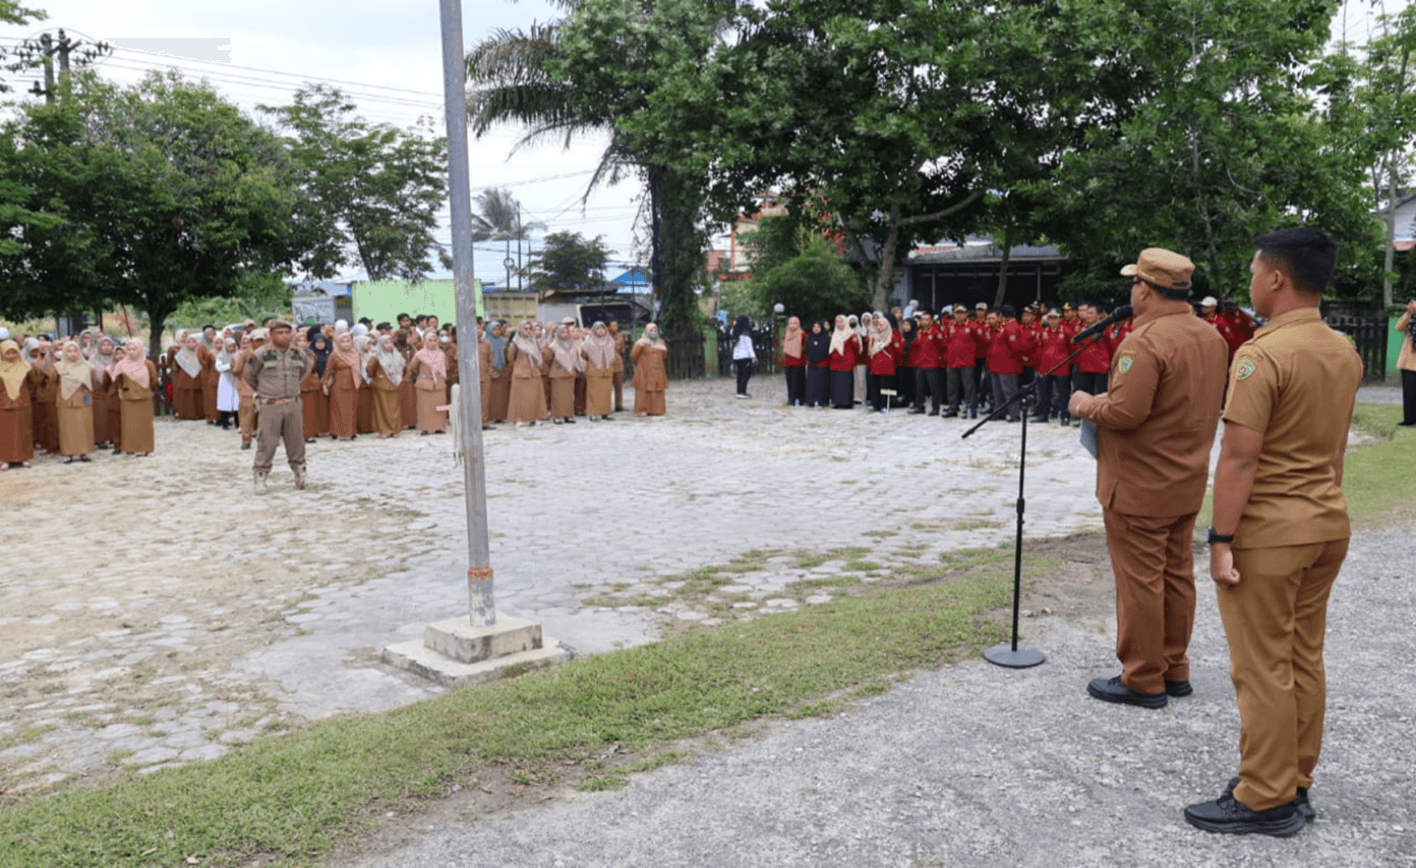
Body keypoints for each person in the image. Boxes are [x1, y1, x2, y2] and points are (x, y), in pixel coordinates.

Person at [1185, 229, 1364, 837]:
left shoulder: (1261, 354)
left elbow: (1239, 457)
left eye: (1255, 270)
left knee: (1261, 665)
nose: (1252, 281)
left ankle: (1264, 796)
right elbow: (1334, 451)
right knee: (1302, 657)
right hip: (1324, 523)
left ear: (1278, 279)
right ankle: (1295, 780)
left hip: (1270, 532)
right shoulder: (1343, 351)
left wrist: (1220, 540)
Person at [1067, 247, 1228, 710]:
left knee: (1140, 582)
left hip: (1139, 484)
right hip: (1186, 479)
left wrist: (1082, 403)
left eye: (1134, 283)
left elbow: (1125, 413)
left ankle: (1142, 677)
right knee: (1177, 575)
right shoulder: (1210, 337)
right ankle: (1174, 668)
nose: (1131, 291)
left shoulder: (1144, 341)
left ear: (1144, 289)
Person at [244, 320, 312, 491]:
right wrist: (265, 391)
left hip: (293, 404)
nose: (284, 336)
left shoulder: (298, 353)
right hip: (270, 405)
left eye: (287, 333)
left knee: (296, 441)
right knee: (267, 442)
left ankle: (299, 472)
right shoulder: (260, 354)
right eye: (280, 333)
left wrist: (293, 388)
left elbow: (303, 371)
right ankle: (260, 475)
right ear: (271, 335)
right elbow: (249, 375)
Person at [985, 304, 1033, 423]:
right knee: (998, 391)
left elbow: (1016, 347)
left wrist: (1019, 360)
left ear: (1002, 315)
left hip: (1007, 365)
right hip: (997, 364)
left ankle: (1014, 414)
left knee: (1009, 391)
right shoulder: (1003, 326)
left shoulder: (1012, 326)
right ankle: (1000, 412)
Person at [54, 341, 98, 463]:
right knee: (67, 428)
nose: (72, 354)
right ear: (64, 352)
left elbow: (93, 382)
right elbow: (53, 384)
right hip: (65, 400)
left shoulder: (88, 366)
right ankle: (68, 453)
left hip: (83, 400)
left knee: (84, 426)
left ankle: (84, 452)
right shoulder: (58, 367)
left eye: (75, 351)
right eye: (69, 351)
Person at [0, 339, 40, 470]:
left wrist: (24, 394)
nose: (11, 356)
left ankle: (23, 458)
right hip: (3, 405)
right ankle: (5, 459)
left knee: (24, 431)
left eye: (14, 352)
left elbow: (33, 383)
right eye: (7, 353)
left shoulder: (26, 367)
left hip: (22, 403)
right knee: (5, 433)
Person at [113, 339, 158, 457]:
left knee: (145, 424)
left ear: (140, 349)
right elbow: (118, 380)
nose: (132, 352)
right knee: (129, 425)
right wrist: (123, 390)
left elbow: (153, 380)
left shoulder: (147, 364)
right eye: (129, 349)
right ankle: (130, 448)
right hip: (128, 398)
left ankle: (146, 447)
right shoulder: (121, 365)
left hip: (144, 398)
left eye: (134, 349)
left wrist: (144, 388)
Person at [1031, 309, 1072, 425]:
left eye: (1055, 318)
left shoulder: (1066, 331)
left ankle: (1064, 415)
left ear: (1060, 319)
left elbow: (1072, 347)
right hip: (1046, 367)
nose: (1053, 321)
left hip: (1061, 367)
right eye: (1050, 318)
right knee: (1045, 392)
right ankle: (1044, 415)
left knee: (1063, 393)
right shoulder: (1043, 332)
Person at [506, 321, 548, 426]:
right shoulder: (515, 342)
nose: (529, 331)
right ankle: (519, 419)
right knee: (520, 398)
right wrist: (520, 365)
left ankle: (535, 418)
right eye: (526, 329)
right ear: (520, 330)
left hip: (534, 372)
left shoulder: (534, 341)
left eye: (530, 329)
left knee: (535, 397)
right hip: (521, 373)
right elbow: (510, 358)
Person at [407, 330, 448, 434]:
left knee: (439, 406)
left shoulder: (441, 354)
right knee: (425, 407)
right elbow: (412, 367)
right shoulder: (420, 354)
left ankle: (439, 426)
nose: (433, 342)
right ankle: (425, 428)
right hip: (425, 383)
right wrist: (423, 374)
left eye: (435, 340)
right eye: (430, 340)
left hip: (439, 383)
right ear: (425, 341)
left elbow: (446, 367)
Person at [322, 332, 362, 440]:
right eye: (343, 342)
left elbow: (359, 371)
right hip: (339, 386)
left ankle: (351, 432)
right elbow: (328, 371)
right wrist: (325, 384)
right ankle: (338, 432)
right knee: (339, 410)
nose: (346, 344)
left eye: (348, 341)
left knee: (351, 411)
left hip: (353, 385)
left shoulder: (355, 354)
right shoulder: (334, 355)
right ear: (338, 343)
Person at [943, 305, 977, 418]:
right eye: (957, 313)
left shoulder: (972, 325)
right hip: (952, 361)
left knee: (968, 387)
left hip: (967, 361)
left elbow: (980, 341)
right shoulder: (950, 325)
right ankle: (953, 408)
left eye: (962, 313)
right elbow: (945, 340)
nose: (959, 315)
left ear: (966, 314)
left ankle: (970, 409)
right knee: (951, 386)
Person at [368, 334, 405, 438]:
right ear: (381, 344)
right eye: (386, 343)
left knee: (395, 408)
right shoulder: (377, 357)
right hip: (382, 385)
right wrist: (379, 376)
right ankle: (385, 430)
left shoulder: (396, 355)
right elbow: (370, 369)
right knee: (382, 408)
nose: (389, 345)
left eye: (391, 342)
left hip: (395, 384)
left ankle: (395, 429)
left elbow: (402, 366)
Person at [908, 311, 943, 416]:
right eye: (922, 319)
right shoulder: (919, 332)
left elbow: (942, 347)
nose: (924, 322)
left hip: (932, 364)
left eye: (927, 319)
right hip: (920, 363)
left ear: (931, 321)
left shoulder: (936, 332)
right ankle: (919, 406)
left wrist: (938, 359)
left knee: (934, 388)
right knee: (919, 387)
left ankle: (936, 408)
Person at [865, 312, 901, 412]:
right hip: (875, 365)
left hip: (886, 366)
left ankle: (884, 405)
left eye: (881, 325)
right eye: (877, 325)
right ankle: (876, 404)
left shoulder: (891, 336)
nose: (878, 327)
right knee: (875, 386)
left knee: (885, 387)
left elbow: (897, 351)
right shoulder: (873, 337)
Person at [630, 324, 668, 416]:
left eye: (655, 329)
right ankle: (642, 410)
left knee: (657, 389)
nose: (653, 331)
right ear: (646, 331)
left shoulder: (661, 343)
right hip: (644, 370)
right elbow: (633, 356)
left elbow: (664, 356)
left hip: (658, 369)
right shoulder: (641, 342)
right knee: (643, 390)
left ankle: (657, 410)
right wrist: (642, 364)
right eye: (651, 329)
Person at [581, 321, 616, 421]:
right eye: (598, 328)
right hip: (594, 369)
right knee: (594, 392)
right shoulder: (588, 341)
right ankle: (593, 413)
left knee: (606, 392)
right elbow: (583, 354)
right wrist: (594, 361)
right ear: (594, 330)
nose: (601, 331)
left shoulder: (610, 341)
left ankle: (606, 412)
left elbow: (614, 354)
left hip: (607, 369)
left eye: (602, 328)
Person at [827, 314, 861, 409]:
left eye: (841, 321)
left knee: (846, 384)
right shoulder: (834, 334)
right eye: (837, 322)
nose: (839, 324)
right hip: (835, 364)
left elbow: (856, 349)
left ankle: (846, 403)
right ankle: (837, 402)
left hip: (846, 363)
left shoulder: (851, 334)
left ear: (845, 322)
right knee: (836, 384)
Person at [547, 325, 579, 424]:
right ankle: (557, 416)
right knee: (558, 396)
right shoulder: (553, 345)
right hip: (558, 373)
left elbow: (576, 356)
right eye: (562, 332)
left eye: (566, 332)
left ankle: (568, 415)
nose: (565, 334)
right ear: (558, 334)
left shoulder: (572, 344)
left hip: (569, 373)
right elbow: (548, 359)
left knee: (569, 396)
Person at [804, 320, 831, 408]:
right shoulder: (809, 337)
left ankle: (822, 401)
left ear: (821, 328)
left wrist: (818, 359)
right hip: (812, 365)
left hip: (821, 365)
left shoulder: (825, 338)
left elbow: (826, 350)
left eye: (818, 327)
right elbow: (806, 350)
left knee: (821, 384)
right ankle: (811, 400)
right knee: (812, 384)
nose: (816, 328)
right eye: (814, 327)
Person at [215, 338, 240, 431]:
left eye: (233, 346)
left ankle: (238, 423)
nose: (232, 348)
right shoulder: (221, 356)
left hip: (236, 379)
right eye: (230, 346)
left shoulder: (238, 354)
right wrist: (230, 365)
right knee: (224, 402)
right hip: (225, 380)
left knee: (237, 402)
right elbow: (219, 367)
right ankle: (224, 423)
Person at [781, 316, 806, 406]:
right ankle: (791, 399)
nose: (792, 325)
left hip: (799, 362)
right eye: (791, 323)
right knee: (790, 382)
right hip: (788, 362)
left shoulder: (803, 334)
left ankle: (800, 399)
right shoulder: (786, 334)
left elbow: (806, 347)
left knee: (799, 382)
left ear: (798, 324)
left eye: (795, 323)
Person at [731, 315, 757, 399]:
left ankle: (739, 391)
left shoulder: (735, 332)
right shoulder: (746, 334)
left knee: (739, 374)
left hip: (737, 357)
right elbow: (749, 347)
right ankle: (742, 391)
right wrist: (753, 357)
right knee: (745, 375)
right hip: (745, 356)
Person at [1399, 300, 1416, 426]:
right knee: (1408, 392)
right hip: (1408, 362)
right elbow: (1399, 327)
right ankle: (1409, 420)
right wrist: (1408, 313)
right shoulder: (1411, 320)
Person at [608, 320, 628, 412]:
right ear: (608, 327)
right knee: (606, 387)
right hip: (607, 365)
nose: (615, 327)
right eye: (613, 326)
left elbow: (621, 349)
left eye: (616, 325)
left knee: (618, 386)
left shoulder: (620, 337)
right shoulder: (604, 337)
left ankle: (619, 405)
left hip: (617, 363)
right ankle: (605, 406)